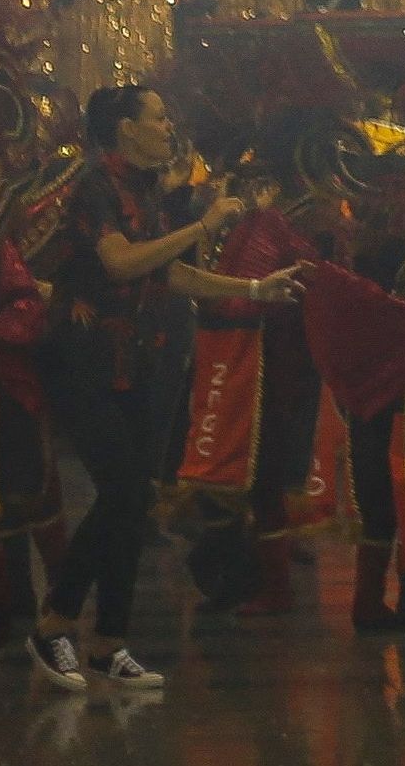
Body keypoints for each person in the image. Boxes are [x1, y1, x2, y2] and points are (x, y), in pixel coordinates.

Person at [29, 85, 298, 693]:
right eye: (158, 116)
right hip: (85, 361)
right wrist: (202, 223)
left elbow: (167, 271)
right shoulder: (94, 186)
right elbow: (121, 263)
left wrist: (253, 289)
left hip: (136, 363)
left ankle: (109, 644)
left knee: (134, 503)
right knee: (122, 495)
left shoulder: (145, 192)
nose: (169, 126)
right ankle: (54, 623)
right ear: (123, 128)